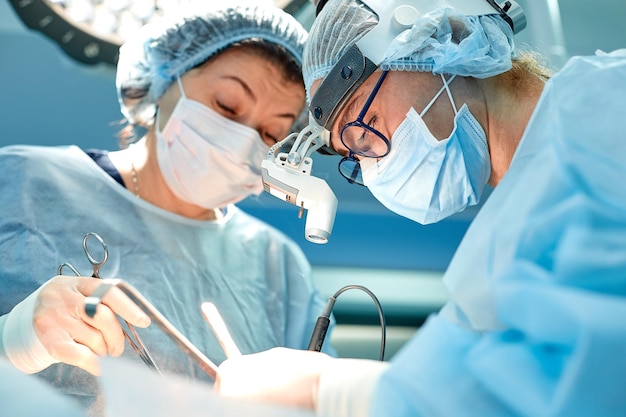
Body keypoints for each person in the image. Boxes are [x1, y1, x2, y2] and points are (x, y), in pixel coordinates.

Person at [213, 0, 626, 416]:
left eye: (363, 122)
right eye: (354, 155)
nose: (372, 166)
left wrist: (331, 390)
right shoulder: (508, 239)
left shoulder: (603, 108)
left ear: (445, 34)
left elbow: (567, 380)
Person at [0, 2, 334, 416]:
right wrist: (9, 343)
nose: (243, 138)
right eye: (227, 105)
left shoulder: (276, 267)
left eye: (271, 132)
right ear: (165, 81)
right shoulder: (19, 182)